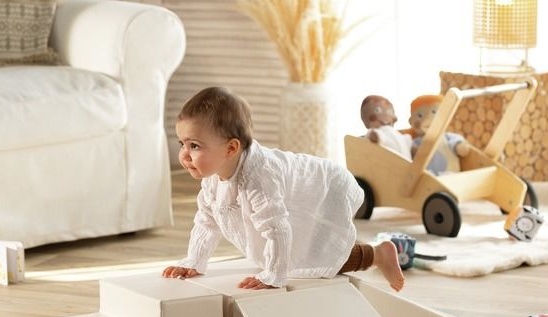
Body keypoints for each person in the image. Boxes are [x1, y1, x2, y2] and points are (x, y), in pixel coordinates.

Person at [162, 86, 405, 291]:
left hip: (325, 186)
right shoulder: (212, 180)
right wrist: (193, 261)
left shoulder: (259, 179)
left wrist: (273, 275)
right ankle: (372, 250)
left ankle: (379, 254)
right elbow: (206, 221)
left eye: (194, 146)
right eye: (182, 143)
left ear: (231, 148)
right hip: (294, 189)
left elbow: (277, 229)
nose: (184, 154)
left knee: (316, 258)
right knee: (302, 249)